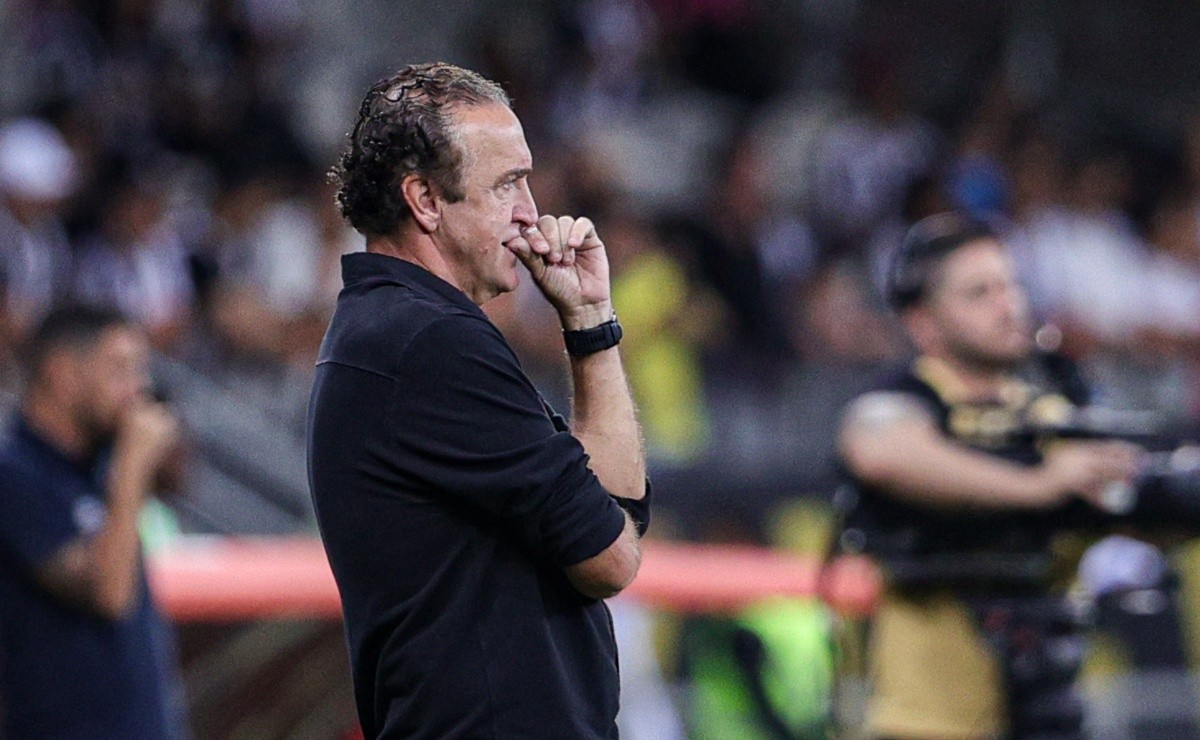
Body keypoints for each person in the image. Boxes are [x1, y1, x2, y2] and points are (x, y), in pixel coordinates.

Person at [307, 62, 649, 739]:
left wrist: (590, 323)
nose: (531, 210)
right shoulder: (427, 342)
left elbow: (618, 516)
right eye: (507, 183)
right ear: (425, 200)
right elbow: (611, 557)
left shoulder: (393, 332)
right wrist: (608, 535)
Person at [835, 214, 1141, 738]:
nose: (1008, 305)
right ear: (923, 322)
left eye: (1010, 285)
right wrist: (1038, 486)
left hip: (1049, 702)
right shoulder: (904, 397)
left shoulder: (1053, 409)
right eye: (979, 293)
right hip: (927, 720)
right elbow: (879, 451)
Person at [0, 305, 185, 739]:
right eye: (120, 369)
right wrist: (132, 466)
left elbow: (179, 479)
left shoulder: (99, 465)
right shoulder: (15, 475)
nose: (137, 389)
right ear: (62, 373)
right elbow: (108, 595)